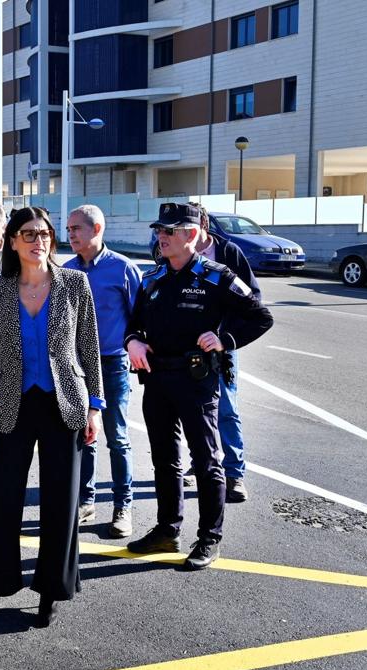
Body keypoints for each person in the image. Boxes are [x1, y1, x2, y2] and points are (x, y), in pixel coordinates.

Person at [0, 206, 103, 628]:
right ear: (12, 241)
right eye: (28, 234)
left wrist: (95, 407)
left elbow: (89, 348)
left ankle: (51, 589)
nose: (38, 240)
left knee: (61, 500)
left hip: (65, 403)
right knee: (0, 498)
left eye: (44, 233)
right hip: (11, 403)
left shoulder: (74, 284)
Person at [124, 203, 273, 569]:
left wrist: (225, 338)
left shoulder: (217, 276)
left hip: (196, 380)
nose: (162, 236)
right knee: (163, 459)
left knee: (206, 462)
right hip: (157, 378)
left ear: (192, 234)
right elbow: (134, 323)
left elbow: (261, 317)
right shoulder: (153, 278)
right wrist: (133, 341)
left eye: (170, 230)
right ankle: (167, 529)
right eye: (159, 229)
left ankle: (210, 538)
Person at [64, 204, 142, 539]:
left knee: (117, 437)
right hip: (77, 366)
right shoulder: (66, 271)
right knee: (85, 436)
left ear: (96, 229)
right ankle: (86, 499)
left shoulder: (123, 269)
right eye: (68, 230)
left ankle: (123, 505)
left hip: (111, 365)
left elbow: (140, 317)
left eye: (76, 229)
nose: (70, 235)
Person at [186, 202, 261, 504]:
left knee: (227, 408)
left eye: (182, 228)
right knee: (191, 410)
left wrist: (226, 336)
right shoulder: (172, 253)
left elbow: (253, 299)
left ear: (201, 226)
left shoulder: (228, 253)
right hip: (187, 348)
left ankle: (234, 473)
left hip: (221, 346)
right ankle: (200, 461)